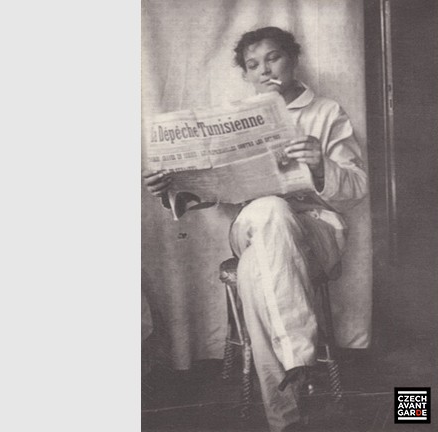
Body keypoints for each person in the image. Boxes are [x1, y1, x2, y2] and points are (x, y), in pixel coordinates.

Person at [143, 26, 368, 432]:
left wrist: (320, 166)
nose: (265, 70)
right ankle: (299, 356)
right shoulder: (234, 120)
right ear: (246, 75)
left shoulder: (327, 112)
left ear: (293, 59)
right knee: (267, 210)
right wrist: (172, 188)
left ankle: (285, 419)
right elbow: (210, 193)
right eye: (253, 64)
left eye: (273, 57)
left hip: (315, 230)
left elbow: (356, 188)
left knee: (256, 274)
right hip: (250, 226)